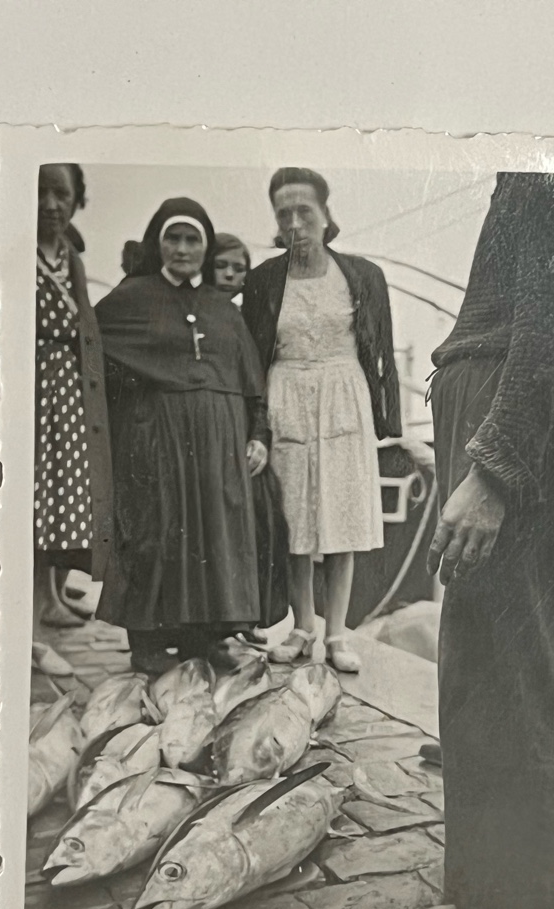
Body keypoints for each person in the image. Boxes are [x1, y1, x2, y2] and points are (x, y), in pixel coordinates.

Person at [402, 172, 554, 909]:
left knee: (503, 659)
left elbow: (552, 323)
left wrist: (492, 470)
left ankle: (512, 908)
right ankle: (553, 883)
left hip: (507, 420)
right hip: (509, 412)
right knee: (541, 651)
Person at [93, 198, 269, 673]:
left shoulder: (222, 308)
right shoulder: (131, 297)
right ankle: (148, 642)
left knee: (213, 536)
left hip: (220, 443)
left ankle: (202, 639)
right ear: (158, 243)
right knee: (155, 531)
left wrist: (259, 434)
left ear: (206, 247)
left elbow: (251, 380)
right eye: (174, 238)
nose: (183, 249)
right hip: (155, 438)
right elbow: (90, 349)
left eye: (193, 240)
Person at [241, 167, 401, 673]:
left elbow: (384, 353)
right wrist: (257, 426)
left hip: (342, 397)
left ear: (326, 215)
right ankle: (301, 628)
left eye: (303, 211)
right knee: (293, 521)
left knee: (341, 517)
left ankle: (336, 633)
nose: (294, 223)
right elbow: (253, 359)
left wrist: (386, 418)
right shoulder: (264, 280)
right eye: (283, 213)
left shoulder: (362, 274)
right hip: (285, 395)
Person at [32, 163, 112, 672]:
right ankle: (31, 628)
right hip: (32, 385)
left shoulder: (71, 256)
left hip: (66, 388)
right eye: (40, 192)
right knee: (32, 501)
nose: (51, 204)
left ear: (76, 200)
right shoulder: (12, 249)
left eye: (61, 194)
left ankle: (49, 599)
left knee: (57, 499)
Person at [212, 234, 290, 644]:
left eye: (238, 268)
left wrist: (260, 437)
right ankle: (218, 625)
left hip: (244, 434)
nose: (229, 275)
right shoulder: (198, 314)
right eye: (221, 266)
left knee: (261, 525)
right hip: (209, 437)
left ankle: (248, 620)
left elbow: (257, 388)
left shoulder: (247, 321)